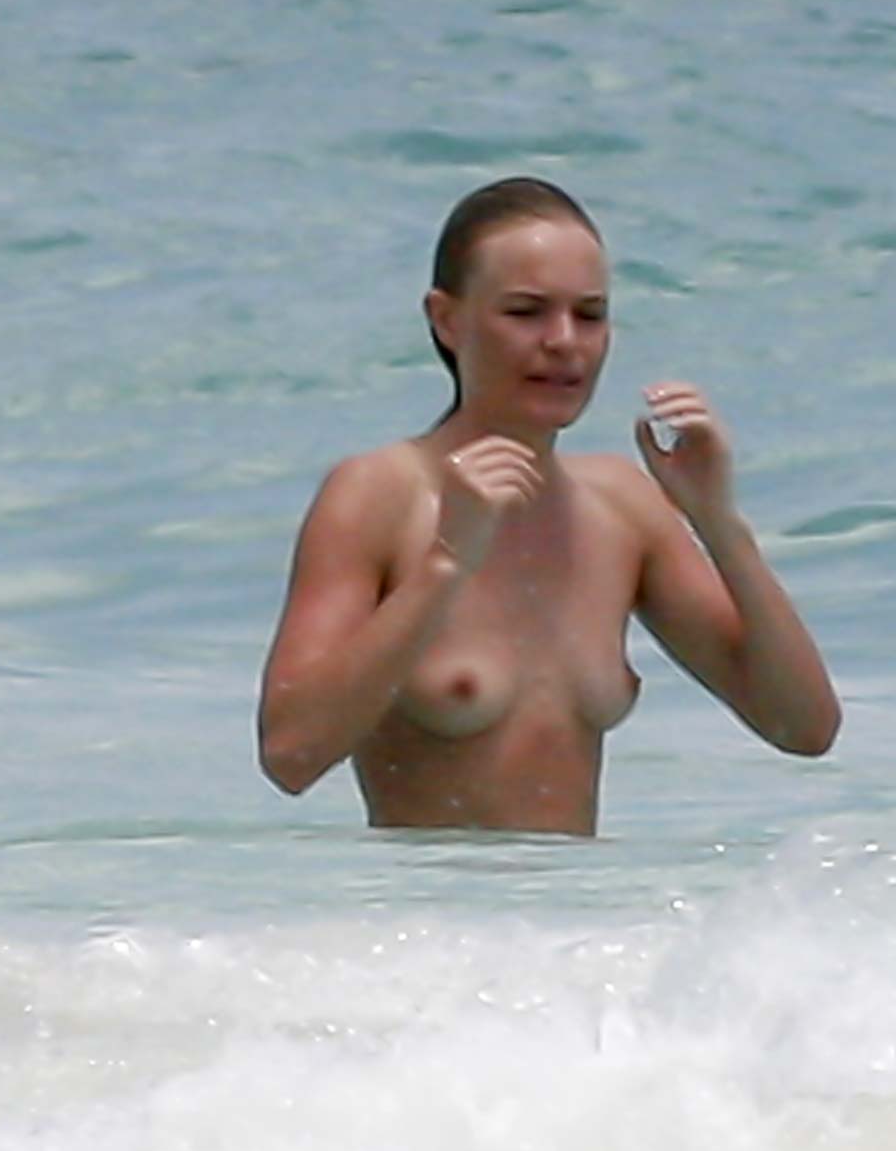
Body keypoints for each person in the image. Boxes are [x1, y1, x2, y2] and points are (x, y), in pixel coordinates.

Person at [256, 176, 840, 835]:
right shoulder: (378, 495)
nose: (564, 341)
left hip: (580, 900)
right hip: (431, 901)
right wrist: (444, 566)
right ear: (447, 320)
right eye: (525, 311)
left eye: (589, 315)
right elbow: (289, 754)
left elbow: (804, 728)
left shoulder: (620, 506)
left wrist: (719, 524)